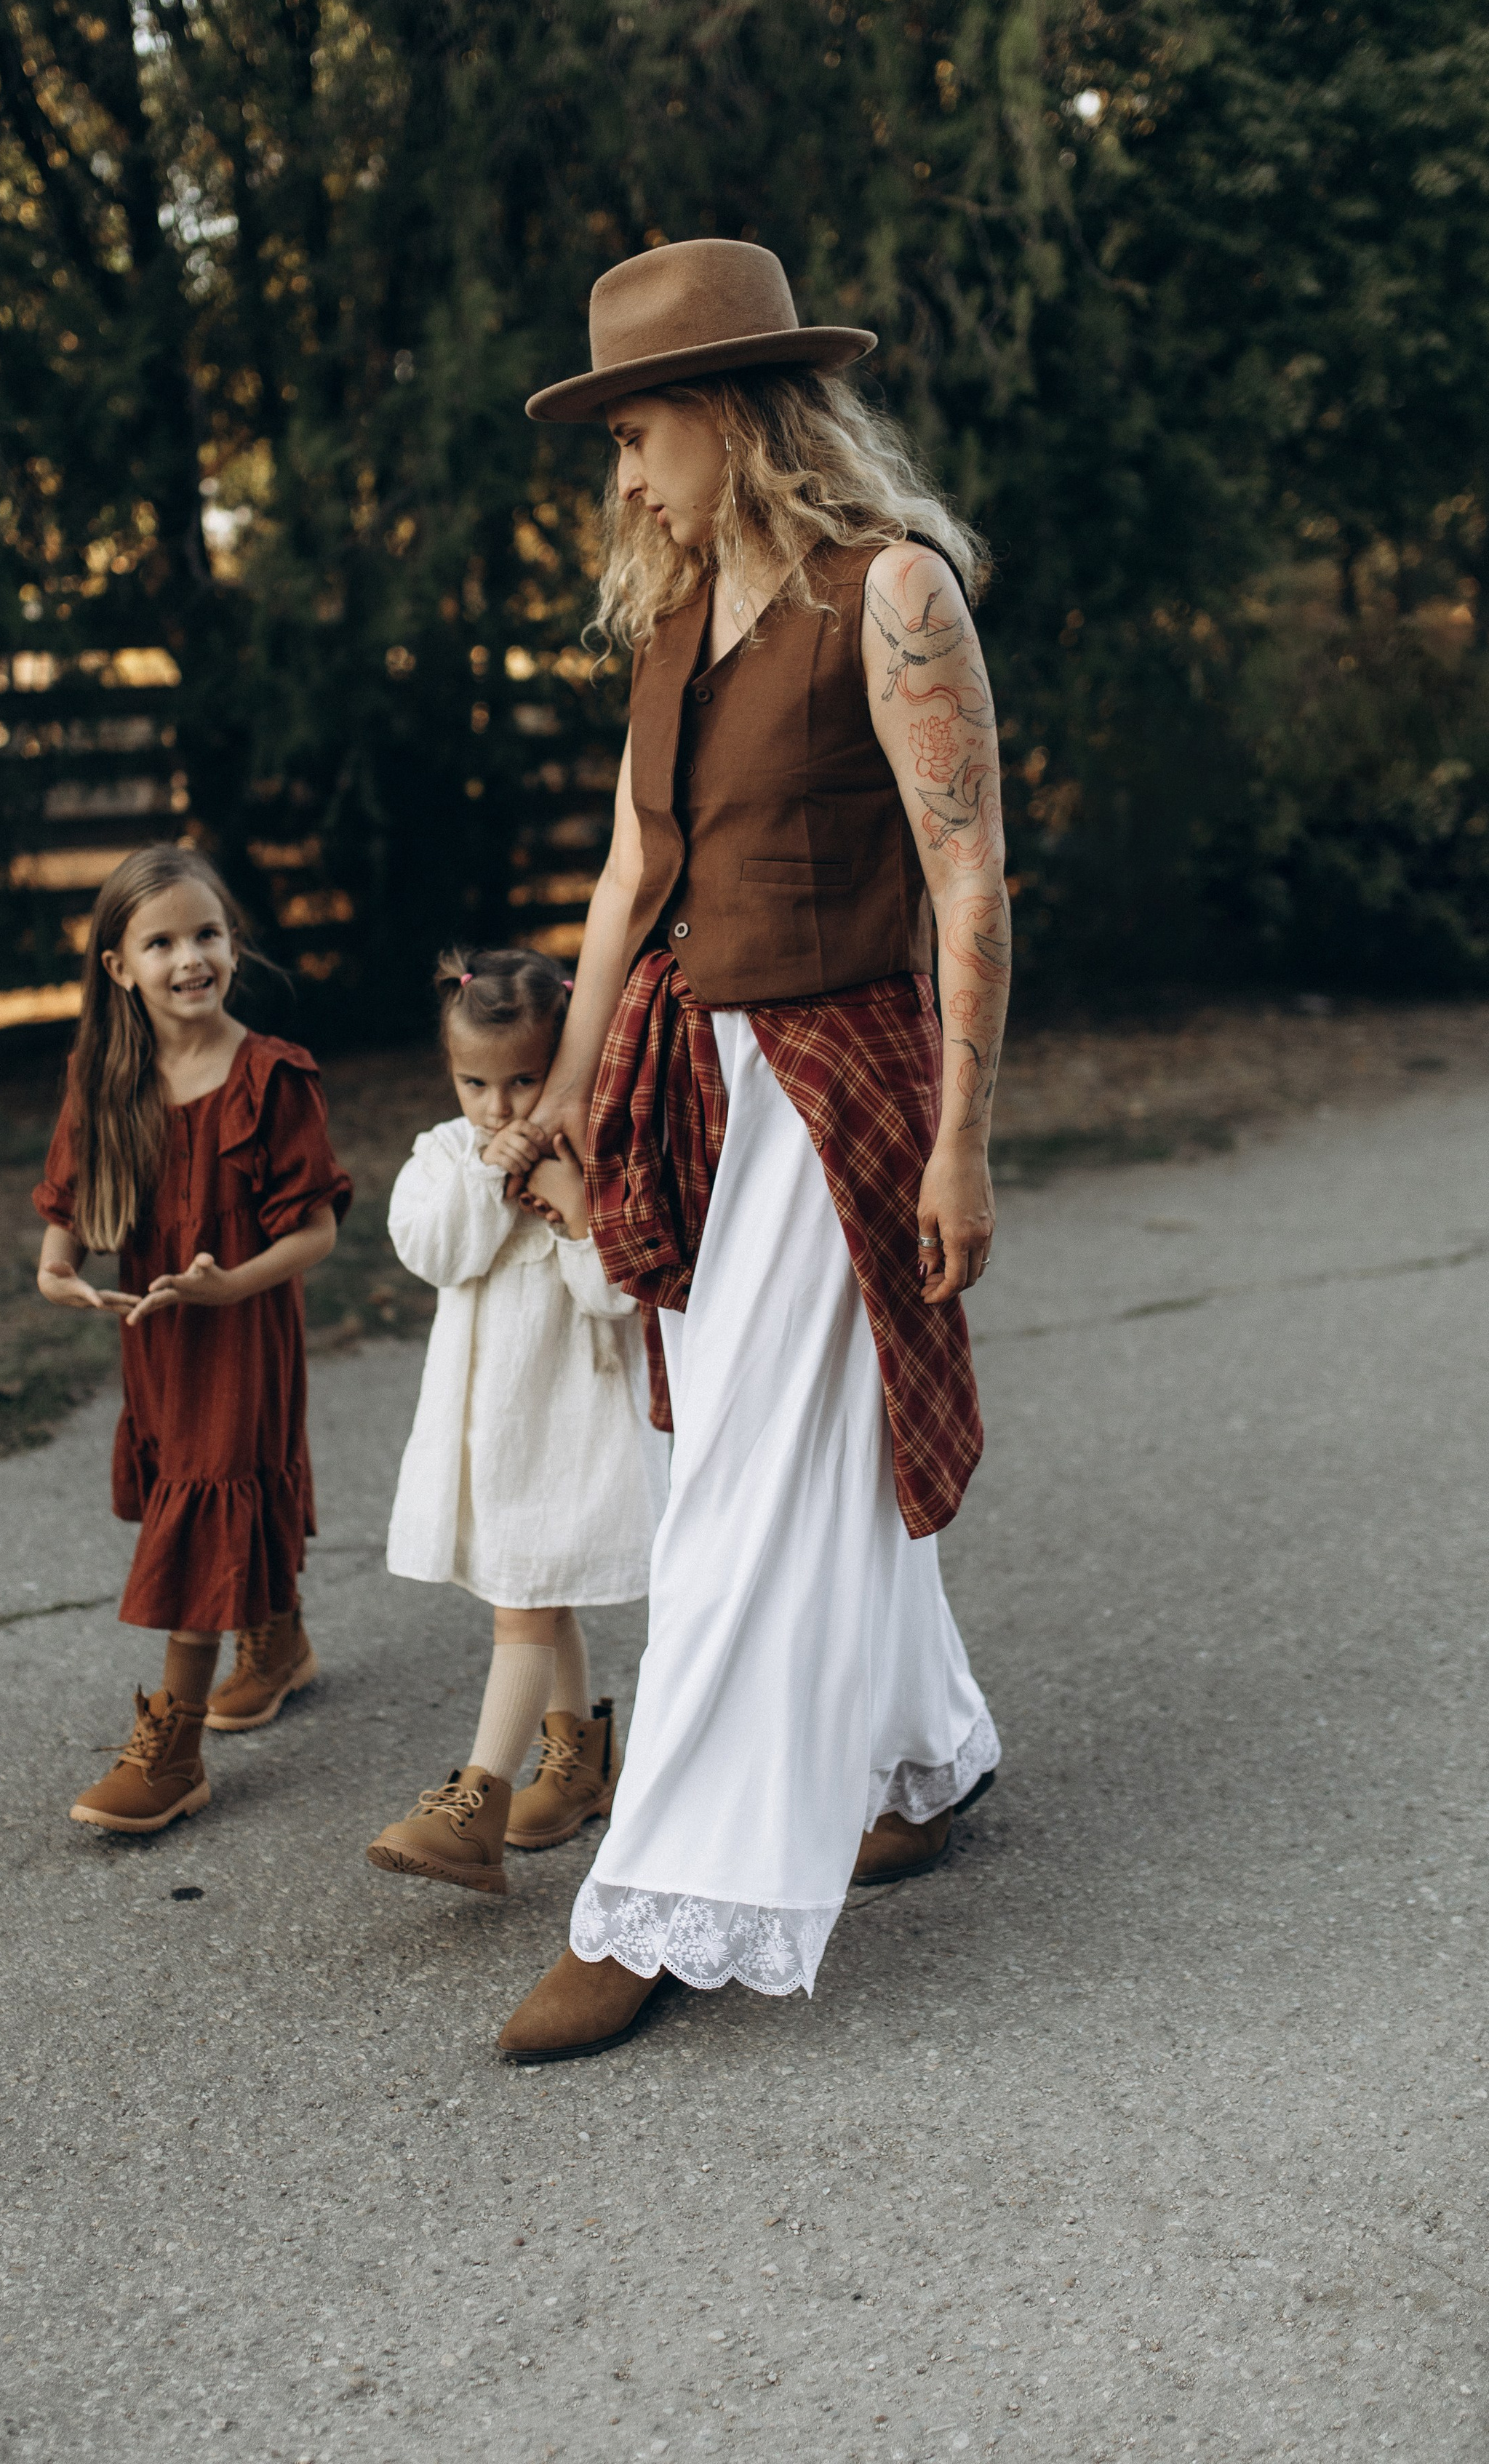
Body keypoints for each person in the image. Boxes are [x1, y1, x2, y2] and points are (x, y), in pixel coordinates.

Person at [494, 237, 1006, 2063]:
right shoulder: (670, 610)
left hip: (836, 1086)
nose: (622, 474)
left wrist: (961, 1139)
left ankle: (656, 1902)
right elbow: (636, 870)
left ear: (732, 413)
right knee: (766, 1442)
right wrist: (564, 1084)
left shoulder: (891, 596)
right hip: (689, 1082)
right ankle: (923, 1754)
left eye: (638, 430)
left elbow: (966, 882)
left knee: (733, 1495)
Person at [32, 842, 352, 1834]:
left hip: (241, 1326)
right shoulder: (107, 1072)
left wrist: (231, 1288)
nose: (190, 959)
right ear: (118, 966)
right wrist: (56, 1265)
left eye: (206, 934)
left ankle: (173, 1752)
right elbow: (75, 1195)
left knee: (212, 1495)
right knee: (201, 1471)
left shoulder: (271, 1077)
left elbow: (318, 1230)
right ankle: (280, 1637)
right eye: (161, 941)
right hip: (157, 1335)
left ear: (233, 943)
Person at [367, 948, 668, 1897]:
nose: (497, 1108)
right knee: (539, 1585)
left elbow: (618, 1298)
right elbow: (432, 1251)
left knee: (525, 1603)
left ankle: (481, 1796)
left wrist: (573, 1203)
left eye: (523, 1081)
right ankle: (578, 1766)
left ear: (563, 1065)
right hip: (488, 1431)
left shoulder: (595, 1149)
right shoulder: (444, 1156)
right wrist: (491, 1181)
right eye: (475, 1084)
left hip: (567, 1426)